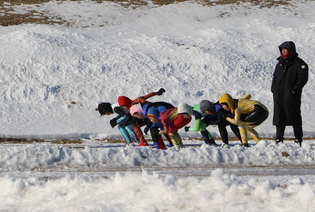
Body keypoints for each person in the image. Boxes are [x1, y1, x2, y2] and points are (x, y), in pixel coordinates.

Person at [271, 41, 308, 147]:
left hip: (291, 95)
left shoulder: (300, 64)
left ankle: (298, 138)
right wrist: (274, 89)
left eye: (285, 49)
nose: (283, 51)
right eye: (282, 49)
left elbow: (302, 79)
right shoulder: (280, 63)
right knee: (279, 116)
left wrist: (294, 90)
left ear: (291, 50)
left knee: (294, 116)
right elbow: (275, 77)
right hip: (279, 95)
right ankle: (279, 138)